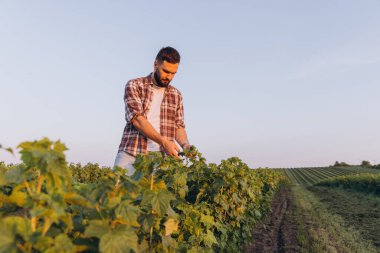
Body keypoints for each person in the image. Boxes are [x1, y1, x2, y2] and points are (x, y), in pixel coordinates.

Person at [114, 47, 191, 175]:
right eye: (166, 71)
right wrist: (164, 141)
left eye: (173, 73)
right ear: (155, 64)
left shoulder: (176, 95)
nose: (169, 77)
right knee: (117, 192)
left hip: (162, 159)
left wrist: (186, 145)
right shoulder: (134, 85)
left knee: (157, 195)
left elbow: (178, 126)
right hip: (132, 153)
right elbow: (137, 120)